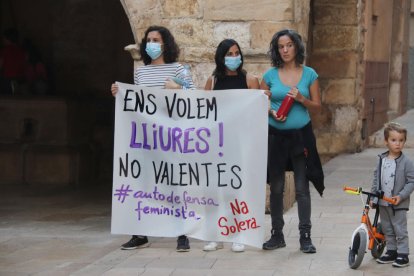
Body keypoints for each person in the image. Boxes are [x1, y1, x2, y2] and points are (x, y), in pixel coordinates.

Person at [111, 25, 195, 252]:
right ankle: (139, 233)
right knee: (144, 184)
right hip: (147, 138)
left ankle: (182, 233)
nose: (152, 44)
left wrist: (177, 88)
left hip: (172, 137)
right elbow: (137, 103)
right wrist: (120, 94)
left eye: (156, 39)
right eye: (149, 40)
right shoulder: (141, 72)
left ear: (165, 43)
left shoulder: (179, 69)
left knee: (175, 184)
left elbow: (194, 98)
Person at [260, 29, 322, 253]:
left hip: (301, 136)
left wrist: (301, 98)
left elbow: (318, 106)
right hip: (275, 136)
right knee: (276, 188)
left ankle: (305, 236)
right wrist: (270, 112)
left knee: (301, 188)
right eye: (280, 47)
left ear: (296, 47)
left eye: (289, 45)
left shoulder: (309, 74)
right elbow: (260, 104)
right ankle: (277, 235)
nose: (285, 50)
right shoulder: (269, 76)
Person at [203, 38, 260, 252]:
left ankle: (237, 233)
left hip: (239, 143)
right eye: (229, 54)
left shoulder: (250, 80)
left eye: (237, 53)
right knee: (215, 189)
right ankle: (214, 235)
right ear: (221, 57)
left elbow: (256, 112)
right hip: (216, 143)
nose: (234, 57)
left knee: (235, 190)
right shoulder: (213, 81)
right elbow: (203, 111)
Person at [371, 122, 414, 267]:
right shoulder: (381, 160)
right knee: (387, 228)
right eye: (394, 140)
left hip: (398, 204)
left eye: (401, 140)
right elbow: (376, 179)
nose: (398, 144)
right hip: (383, 203)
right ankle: (391, 251)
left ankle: (403, 254)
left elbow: (411, 182)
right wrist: (373, 197)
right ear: (386, 141)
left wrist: (401, 196)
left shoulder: (407, 162)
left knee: (399, 229)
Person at [0, 28, 26, 94]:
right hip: (20, 80)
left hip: (7, 81)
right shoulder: (22, 51)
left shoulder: (5, 50)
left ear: (7, 39)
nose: (2, 40)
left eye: (3, 38)